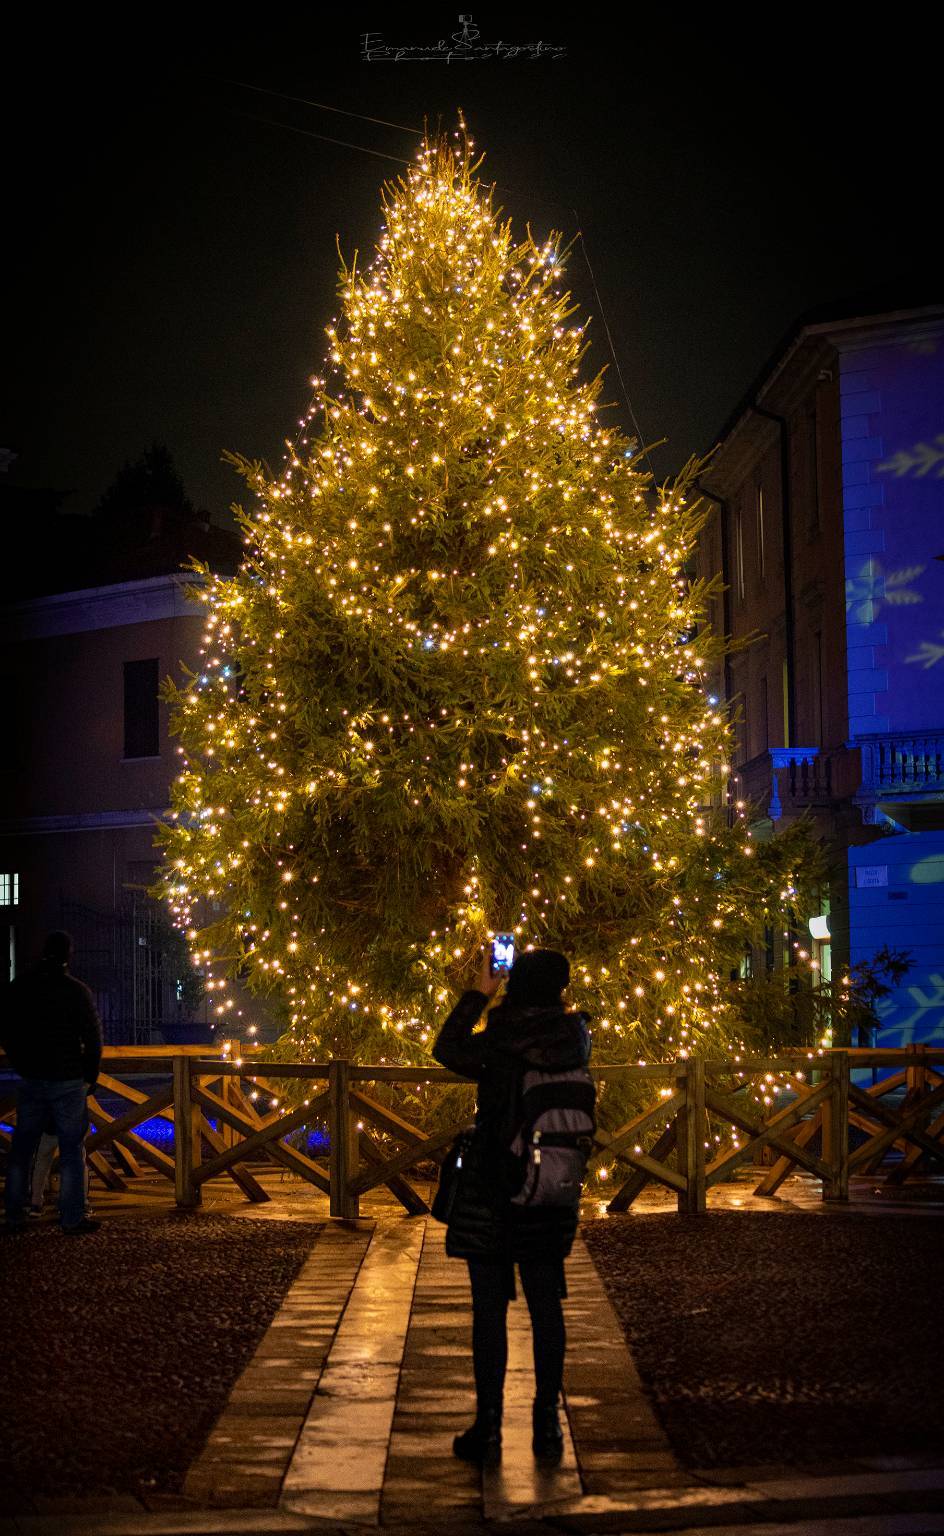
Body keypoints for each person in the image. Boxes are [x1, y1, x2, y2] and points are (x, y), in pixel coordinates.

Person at [432, 946, 592, 1468]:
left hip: (494, 1190)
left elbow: (447, 1048)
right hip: (551, 1188)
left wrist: (480, 991)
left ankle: (490, 1427)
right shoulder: (575, 1037)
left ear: (515, 982)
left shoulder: (500, 1039)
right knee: (547, 1308)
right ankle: (547, 1426)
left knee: (489, 1312)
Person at [1, 931, 103, 1234]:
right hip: (68, 1078)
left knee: (22, 1149)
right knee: (71, 1151)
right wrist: (90, 1076)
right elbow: (93, 1039)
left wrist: (21, 1062)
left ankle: (14, 1214)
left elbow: (5, 1028)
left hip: (32, 1077)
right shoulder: (76, 991)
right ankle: (71, 1217)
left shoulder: (21, 987)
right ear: (68, 956)